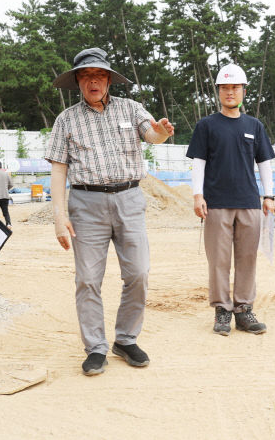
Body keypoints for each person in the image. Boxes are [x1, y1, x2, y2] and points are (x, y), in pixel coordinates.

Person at [45, 47, 174, 376]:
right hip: (86, 205)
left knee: (139, 273)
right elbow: (58, 170)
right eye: (86, 76)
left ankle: (126, 338)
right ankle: (96, 347)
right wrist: (60, 216)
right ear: (77, 82)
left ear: (109, 80)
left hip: (129, 199)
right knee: (88, 279)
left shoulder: (131, 109)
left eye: (99, 75)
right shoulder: (66, 120)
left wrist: (161, 131)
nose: (93, 82)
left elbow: (152, 135)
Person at [186, 64, 275, 336]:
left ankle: (244, 310)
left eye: (235, 87)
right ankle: (222, 310)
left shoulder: (254, 126)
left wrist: (269, 195)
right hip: (216, 204)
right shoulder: (207, 125)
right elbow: (198, 163)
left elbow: (264, 164)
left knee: (248, 258)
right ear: (218, 91)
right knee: (219, 261)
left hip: (249, 203)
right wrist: (198, 195)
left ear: (243, 91)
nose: (230, 92)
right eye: (225, 87)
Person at [0, 160, 13, 229]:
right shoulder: (6, 174)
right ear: (1, 166)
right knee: (6, 212)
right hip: (5, 196)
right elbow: (11, 184)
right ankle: (8, 224)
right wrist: (6, 189)